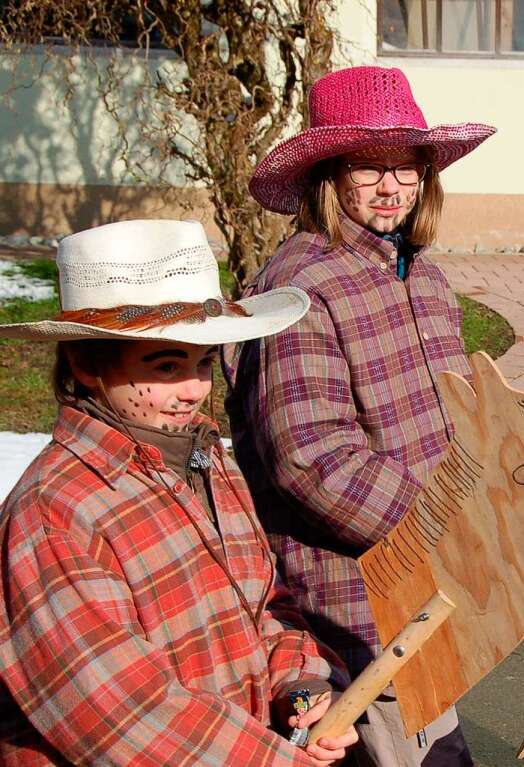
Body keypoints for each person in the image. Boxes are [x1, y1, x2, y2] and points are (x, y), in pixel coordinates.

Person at [0, 219, 358, 766]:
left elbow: (264, 606)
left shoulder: (208, 462)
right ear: (86, 364)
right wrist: (268, 760)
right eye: (165, 366)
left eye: (203, 364)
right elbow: (119, 711)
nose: (193, 390)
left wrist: (300, 690)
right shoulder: (56, 511)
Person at [223, 66, 494, 767]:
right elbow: (313, 460)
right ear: (329, 173)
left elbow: (451, 419)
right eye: (368, 167)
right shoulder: (301, 286)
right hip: (355, 601)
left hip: (429, 591)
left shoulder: (422, 276)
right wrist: (447, 527)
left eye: (407, 166)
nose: (390, 186)